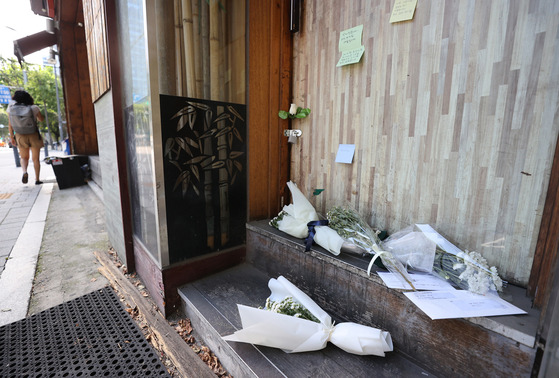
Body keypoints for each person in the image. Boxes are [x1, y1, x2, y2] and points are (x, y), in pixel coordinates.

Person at [8, 90, 45, 185]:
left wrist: (12, 137)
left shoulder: (11, 108)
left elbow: (10, 125)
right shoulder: (34, 108)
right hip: (33, 134)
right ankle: (37, 179)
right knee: (35, 159)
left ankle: (24, 172)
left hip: (20, 135)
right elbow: (41, 119)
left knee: (24, 157)